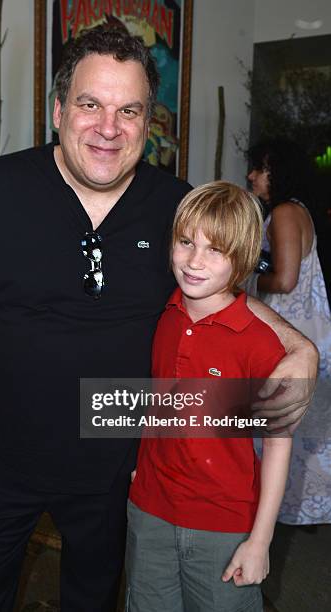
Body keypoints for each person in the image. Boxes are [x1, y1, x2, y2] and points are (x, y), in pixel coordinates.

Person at [0, 25, 317, 612]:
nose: (109, 128)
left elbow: (220, 284)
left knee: (94, 598)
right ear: (58, 110)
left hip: (118, 465)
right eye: (90, 105)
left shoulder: (174, 205)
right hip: (1, 453)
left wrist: (296, 344)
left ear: (147, 121)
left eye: (128, 110)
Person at [126, 181, 292, 611]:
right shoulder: (162, 315)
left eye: (215, 249)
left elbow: (277, 444)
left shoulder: (260, 343)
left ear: (243, 258)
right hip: (150, 512)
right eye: (186, 242)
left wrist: (260, 540)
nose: (194, 261)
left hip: (224, 524)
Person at [248, 139, 331, 525]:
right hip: (306, 324)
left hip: (291, 330)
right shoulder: (298, 210)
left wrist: (243, 278)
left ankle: (280, 511)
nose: (253, 175)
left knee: (282, 420)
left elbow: (284, 279)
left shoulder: (283, 212)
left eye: (260, 169)